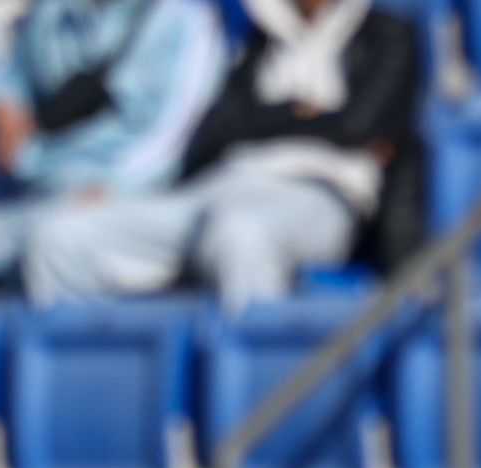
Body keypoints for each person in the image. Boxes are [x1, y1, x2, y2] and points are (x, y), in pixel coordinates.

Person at [21, 0, 420, 307]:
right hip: (221, 187)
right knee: (60, 237)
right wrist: (303, 113)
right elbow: (219, 127)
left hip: (319, 194)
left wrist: (264, 119)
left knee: (239, 234)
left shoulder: (386, 35)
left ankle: (258, 399)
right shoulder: (258, 39)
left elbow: (359, 125)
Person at [0, 0, 225, 291]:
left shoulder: (184, 18)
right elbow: (10, 73)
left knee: (56, 241)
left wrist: (38, 165)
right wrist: (0, 101)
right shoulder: (51, 12)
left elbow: (162, 152)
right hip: (48, 196)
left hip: (147, 201)